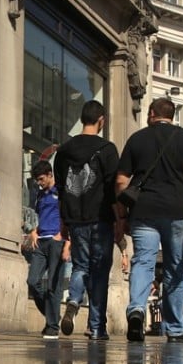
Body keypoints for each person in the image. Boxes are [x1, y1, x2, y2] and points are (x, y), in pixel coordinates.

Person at [116, 97, 183, 343]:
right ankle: (174, 329)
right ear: (172, 115)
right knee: (174, 267)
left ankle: (137, 310)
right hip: (177, 213)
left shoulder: (137, 139)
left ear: (151, 114)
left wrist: (121, 214)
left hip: (144, 211)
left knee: (143, 262)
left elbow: (120, 181)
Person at [53, 99, 119, 341]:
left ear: (82, 119)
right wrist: (119, 220)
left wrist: (63, 221)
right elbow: (114, 189)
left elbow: (60, 188)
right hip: (100, 217)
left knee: (81, 266)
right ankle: (96, 327)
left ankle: (72, 301)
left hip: (76, 218)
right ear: (101, 120)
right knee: (100, 271)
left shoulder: (63, 151)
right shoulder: (107, 149)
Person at [22, 159, 68, 339]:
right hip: (41, 242)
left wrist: (65, 240)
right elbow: (40, 217)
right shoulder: (40, 196)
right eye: (37, 181)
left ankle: (52, 326)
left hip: (57, 241)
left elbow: (68, 216)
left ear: (50, 175)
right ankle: (52, 316)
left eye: (42, 179)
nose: (39, 183)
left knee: (53, 287)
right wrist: (34, 231)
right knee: (32, 281)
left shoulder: (61, 192)